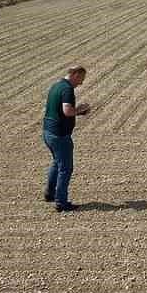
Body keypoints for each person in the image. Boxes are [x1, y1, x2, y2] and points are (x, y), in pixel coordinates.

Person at [42, 64, 90, 211]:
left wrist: (77, 112)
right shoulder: (67, 89)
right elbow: (67, 111)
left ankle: (50, 194)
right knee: (65, 168)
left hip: (48, 131)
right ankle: (61, 202)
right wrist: (80, 110)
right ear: (75, 74)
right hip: (60, 135)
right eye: (81, 79)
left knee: (57, 163)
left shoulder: (56, 85)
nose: (81, 83)